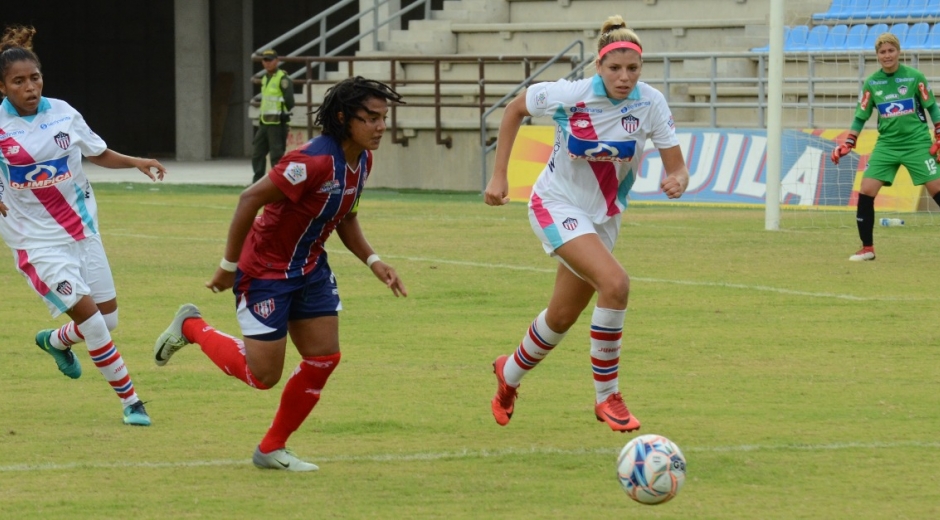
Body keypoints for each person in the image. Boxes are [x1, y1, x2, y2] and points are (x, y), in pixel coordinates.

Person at [153, 76, 408, 471]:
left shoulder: (363, 160)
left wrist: (375, 262)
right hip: (266, 271)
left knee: (324, 357)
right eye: (371, 118)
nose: (380, 127)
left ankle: (271, 448)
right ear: (343, 117)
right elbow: (249, 199)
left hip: (311, 268)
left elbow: (345, 216)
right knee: (263, 376)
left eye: (383, 118)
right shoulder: (312, 161)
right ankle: (192, 327)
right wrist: (227, 268)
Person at [483, 16, 689, 433]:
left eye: (633, 69)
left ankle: (508, 375)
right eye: (615, 68)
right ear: (599, 66)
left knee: (560, 317)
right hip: (555, 204)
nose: (624, 77)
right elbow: (514, 109)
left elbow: (678, 167)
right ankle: (607, 397)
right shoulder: (569, 94)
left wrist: (677, 180)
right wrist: (499, 175)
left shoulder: (651, 103)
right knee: (615, 284)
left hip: (604, 219)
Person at [0, 25, 165, 426]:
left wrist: (136, 161)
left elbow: (98, 152)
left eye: (34, 78)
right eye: (18, 81)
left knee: (107, 321)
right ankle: (132, 401)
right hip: (36, 242)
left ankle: (55, 342)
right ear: (3, 87)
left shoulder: (63, 112)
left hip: (83, 232)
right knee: (92, 321)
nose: (30, 87)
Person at [831, 32, 940, 261]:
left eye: (891, 51)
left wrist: (939, 134)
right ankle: (867, 249)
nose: (887, 55)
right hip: (887, 145)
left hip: (917, 144)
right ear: (877, 56)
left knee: (937, 190)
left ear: (898, 52)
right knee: (866, 190)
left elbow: (933, 108)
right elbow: (860, 116)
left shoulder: (914, 77)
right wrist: (849, 142)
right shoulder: (872, 83)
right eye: (882, 52)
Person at [251, 48, 295, 184]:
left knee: (276, 155)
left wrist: (282, 113)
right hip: (264, 122)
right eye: (265, 60)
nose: (267, 63)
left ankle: (278, 183)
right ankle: (257, 182)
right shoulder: (265, 78)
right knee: (257, 153)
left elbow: (289, 101)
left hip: (277, 123)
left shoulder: (283, 78)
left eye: (270, 60)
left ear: (277, 61)